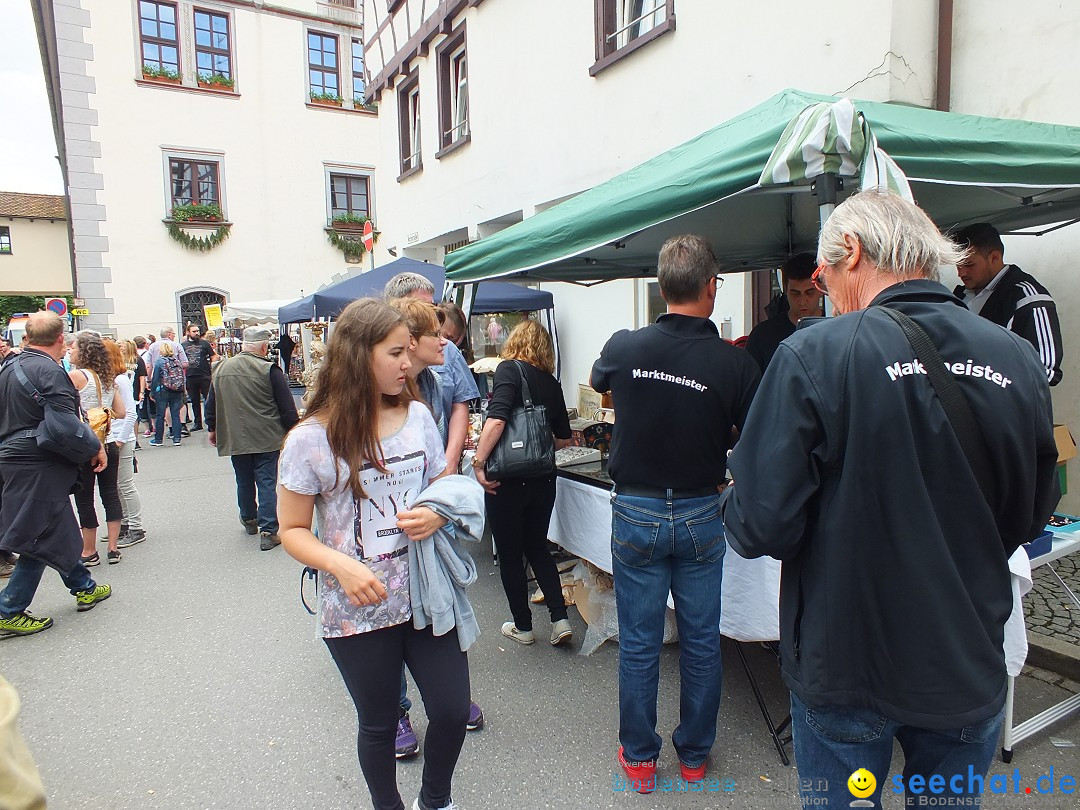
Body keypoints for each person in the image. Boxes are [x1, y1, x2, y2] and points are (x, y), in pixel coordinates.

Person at [719, 191, 1060, 808]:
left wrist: (731, 497)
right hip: (963, 659)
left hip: (846, 662)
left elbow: (759, 525)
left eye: (821, 279)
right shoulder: (1014, 357)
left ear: (851, 252)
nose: (822, 294)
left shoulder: (814, 353)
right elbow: (1033, 511)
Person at [277, 298, 470, 810]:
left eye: (409, 351)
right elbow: (292, 529)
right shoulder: (310, 439)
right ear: (358, 356)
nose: (409, 364)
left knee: (451, 711)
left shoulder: (420, 417)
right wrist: (340, 564)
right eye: (396, 353)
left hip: (426, 593)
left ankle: (436, 800)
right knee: (380, 723)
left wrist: (438, 513)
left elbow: (440, 488)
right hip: (357, 606)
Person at [590, 234, 760, 791]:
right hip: (698, 512)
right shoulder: (734, 364)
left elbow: (601, 384)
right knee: (701, 640)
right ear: (712, 287)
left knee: (640, 643)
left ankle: (640, 759)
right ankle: (693, 755)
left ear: (662, 287)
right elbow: (751, 430)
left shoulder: (624, 346)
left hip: (637, 510)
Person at [388, 298, 486, 756]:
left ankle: (450, 697)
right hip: (390, 527)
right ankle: (397, 713)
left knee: (441, 594)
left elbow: (463, 405)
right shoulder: (388, 384)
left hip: (435, 502)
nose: (446, 338)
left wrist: (448, 466)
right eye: (436, 330)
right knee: (393, 616)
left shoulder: (442, 368)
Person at [0, 311, 112, 637]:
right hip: (38, 463)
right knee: (37, 535)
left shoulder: (8, 367)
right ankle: (9, 609)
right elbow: (66, 427)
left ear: (27, 338)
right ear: (61, 338)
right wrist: (94, 447)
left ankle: (84, 585)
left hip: (13, 459)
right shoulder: (49, 371)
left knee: (56, 528)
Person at [473, 320, 574, 648]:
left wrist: (478, 461)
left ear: (515, 342)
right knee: (538, 547)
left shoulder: (508, 370)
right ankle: (560, 620)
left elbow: (498, 418)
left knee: (510, 553)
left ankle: (524, 626)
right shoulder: (551, 382)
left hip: (507, 480)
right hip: (543, 478)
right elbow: (562, 439)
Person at [205, 326, 298, 550]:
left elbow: (211, 402)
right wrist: (294, 430)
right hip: (267, 435)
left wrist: (212, 427)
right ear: (264, 347)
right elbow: (286, 407)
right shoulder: (269, 370)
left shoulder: (221, 368)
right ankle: (268, 530)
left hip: (236, 434)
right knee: (266, 481)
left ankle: (248, 518)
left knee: (243, 478)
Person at [384, 273, 479, 474]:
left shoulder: (440, 364)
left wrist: (448, 465)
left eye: (432, 305)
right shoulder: (380, 376)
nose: (431, 313)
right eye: (422, 307)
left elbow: (459, 404)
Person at [951, 222, 1063, 386]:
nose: (961, 273)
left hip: (1006, 406)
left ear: (994, 258)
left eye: (969, 264)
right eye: (957, 265)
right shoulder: (959, 296)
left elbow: (1046, 371)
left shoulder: (1028, 296)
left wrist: (987, 379)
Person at [69, 331, 127, 567]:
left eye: (73, 347)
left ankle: (89, 551)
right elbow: (122, 413)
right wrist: (103, 415)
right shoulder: (108, 378)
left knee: (85, 499)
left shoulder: (76, 376)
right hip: (109, 442)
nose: (70, 350)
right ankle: (113, 548)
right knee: (110, 494)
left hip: (85, 444)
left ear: (83, 351)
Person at [743, 253, 823, 372]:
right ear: (785, 290)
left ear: (820, 288)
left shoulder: (836, 331)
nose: (802, 301)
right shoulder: (762, 335)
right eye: (795, 293)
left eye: (809, 292)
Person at [106, 341, 144, 548]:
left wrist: (121, 438)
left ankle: (136, 527)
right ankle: (125, 524)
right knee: (118, 486)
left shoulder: (120, 379)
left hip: (122, 438)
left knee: (125, 485)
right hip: (116, 436)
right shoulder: (112, 379)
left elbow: (131, 412)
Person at [182, 323, 217, 431]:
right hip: (190, 376)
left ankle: (211, 421)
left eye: (197, 331)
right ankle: (198, 422)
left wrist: (213, 367)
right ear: (188, 332)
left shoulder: (204, 343)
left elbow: (213, 356)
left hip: (204, 375)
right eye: (194, 331)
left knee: (208, 399)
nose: (196, 333)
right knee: (194, 400)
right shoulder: (183, 345)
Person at [148, 343, 185, 447]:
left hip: (163, 390)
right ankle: (177, 438)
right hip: (176, 390)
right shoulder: (177, 361)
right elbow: (182, 376)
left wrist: (152, 392)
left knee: (160, 415)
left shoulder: (160, 361)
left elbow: (155, 378)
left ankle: (158, 439)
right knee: (175, 414)